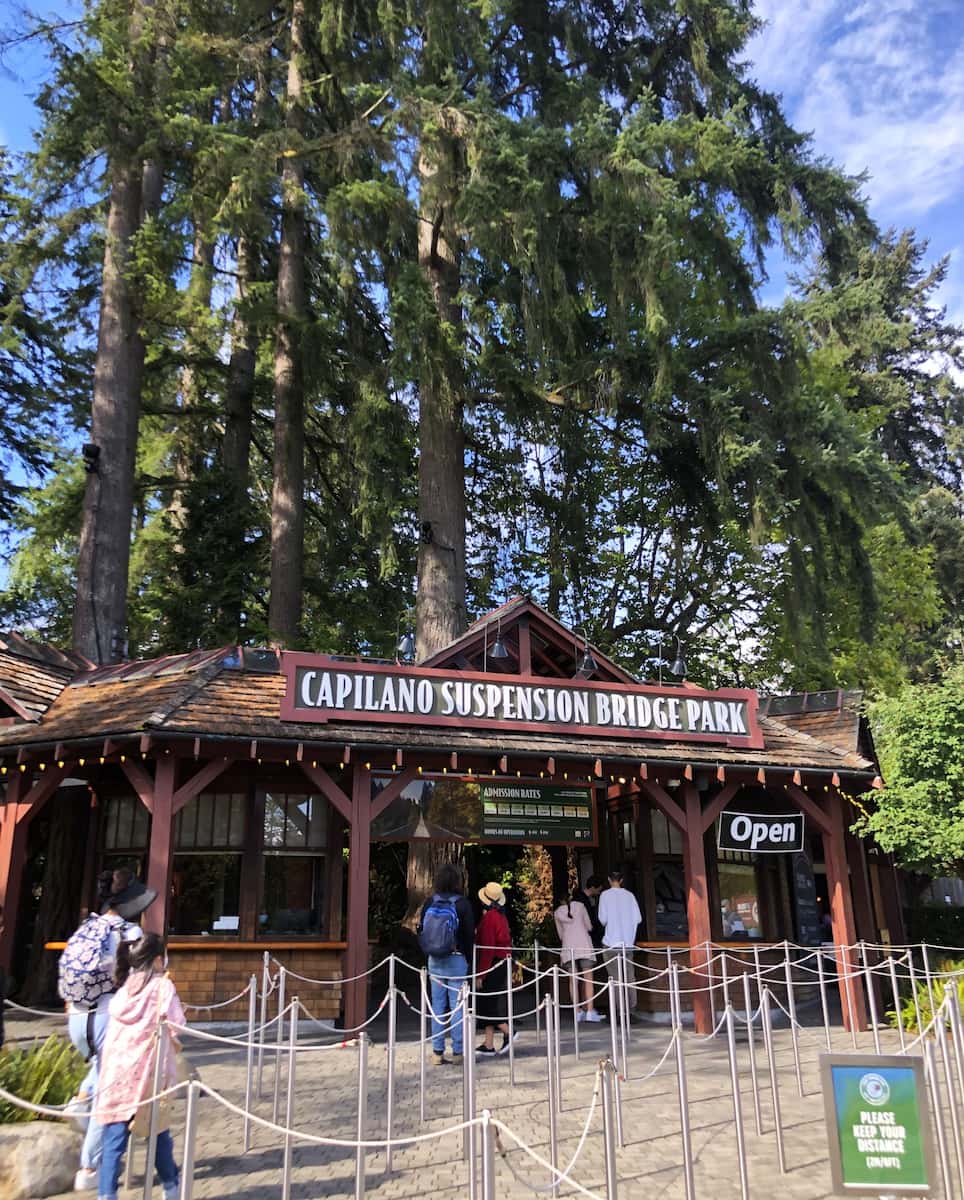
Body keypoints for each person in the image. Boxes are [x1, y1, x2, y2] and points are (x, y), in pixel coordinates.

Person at [62, 869, 156, 1192]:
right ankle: (90, 1166)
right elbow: (142, 981)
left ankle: (82, 1095)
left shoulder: (87, 927)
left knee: (100, 1073)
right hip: (109, 1018)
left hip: (77, 1017)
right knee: (112, 1092)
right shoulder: (130, 933)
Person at [94, 933, 184, 1200]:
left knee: (112, 1141)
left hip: (117, 1072)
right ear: (158, 959)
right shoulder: (162, 987)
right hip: (148, 1072)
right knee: (158, 1134)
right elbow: (177, 1023)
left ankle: (106, 1194)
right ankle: (171, 1187)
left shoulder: (123, 989)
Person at [418, 863, 475, 1066]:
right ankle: (458, 1051)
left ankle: (437, 1051)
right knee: (458, 1006)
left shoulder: (429, 902)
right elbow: (469, 935)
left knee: (437, 1006)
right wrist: (468, 958)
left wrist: (428, 951)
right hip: (457, 959)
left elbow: (421, 930)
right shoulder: (463, 904)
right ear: (458, 881)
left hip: (435, 960)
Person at [475, 882, 520, 1057]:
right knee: (492, 1001)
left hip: (494, 963)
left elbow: (487, 948)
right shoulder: (500, 916)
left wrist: (481, 973)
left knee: (487, 1004)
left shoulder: (489, 918)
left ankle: (508, 1031)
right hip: (502, 962)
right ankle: (488, 1042)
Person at [598, 869, 642, 1013]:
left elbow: (602, 919)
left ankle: (619, 1010)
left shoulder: (605, 895)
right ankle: (631, 1007)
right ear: (622, 880)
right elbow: (638, 919)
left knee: (615, 978)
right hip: (628, 942)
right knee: (629, 976)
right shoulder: (630, 896)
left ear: (609, 880)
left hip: (611, 942)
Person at [554, 890, 601, 1021]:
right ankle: (590, 1011)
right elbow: (589, 926)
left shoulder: (557, 913)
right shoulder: (580, 906)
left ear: (559, 901)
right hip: (584, 945)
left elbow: (560, 935)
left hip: (568, 947)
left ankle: (577, 1011)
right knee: (588, 979)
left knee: (572, 980)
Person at [572, 876, 605, 949]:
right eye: (598, 890)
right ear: (593, 887)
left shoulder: (581, 898)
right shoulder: (581, 900)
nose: (599, 893)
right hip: (585, 935)